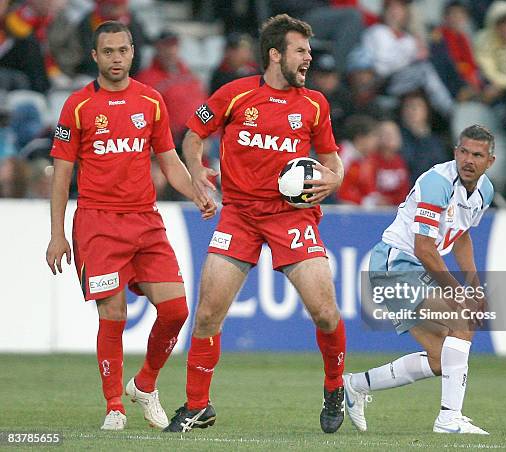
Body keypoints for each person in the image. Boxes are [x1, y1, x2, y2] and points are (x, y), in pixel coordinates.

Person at [164, 14, 347, 434]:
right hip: (241, 215)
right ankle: (197, 405)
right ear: (275, 54)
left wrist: (333, 178)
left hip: (292, 215)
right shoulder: (235, 94)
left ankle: (335, 386)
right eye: (300, 51)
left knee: (325, 313)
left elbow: (332, 159)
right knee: (208, 314)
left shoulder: (315, 104)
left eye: (309, 51)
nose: (308, 59)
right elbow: (192, 136)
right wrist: (196, 173)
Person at [45, 21, 213, 431]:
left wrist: (197, 193)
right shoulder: (78, 106)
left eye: (123, 50)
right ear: (95, 57)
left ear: (132, 52)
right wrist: (57, 235)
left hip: (145, 220)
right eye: (108, 52)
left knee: (176, 311)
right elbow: (62, 175)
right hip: (98, 223)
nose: (116, 58)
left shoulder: (152, 101)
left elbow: (169, 162)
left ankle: (145, 384)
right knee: (114, 313)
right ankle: (114, 406)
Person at [343, 124, 495, 435]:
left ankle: (355, 385)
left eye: (477, 155)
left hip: (412, 268)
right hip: (394, 265)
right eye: (463, 151)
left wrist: (474, 285)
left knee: (441, 360)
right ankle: (449, 418)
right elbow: (424, 248)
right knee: (462, 319)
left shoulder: (485, 191)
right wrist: (457, 292)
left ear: (489, 161)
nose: (468, 159)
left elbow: (462, 234)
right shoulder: (437, 182)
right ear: (455, 152)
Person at [136, 30, 209, 146]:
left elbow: (205, 103)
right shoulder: (146, 79)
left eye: (174, 46)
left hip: (204, 139)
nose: (170, 51)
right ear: (157, 48)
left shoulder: (189, 74)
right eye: (166, 46)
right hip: (173, 144)